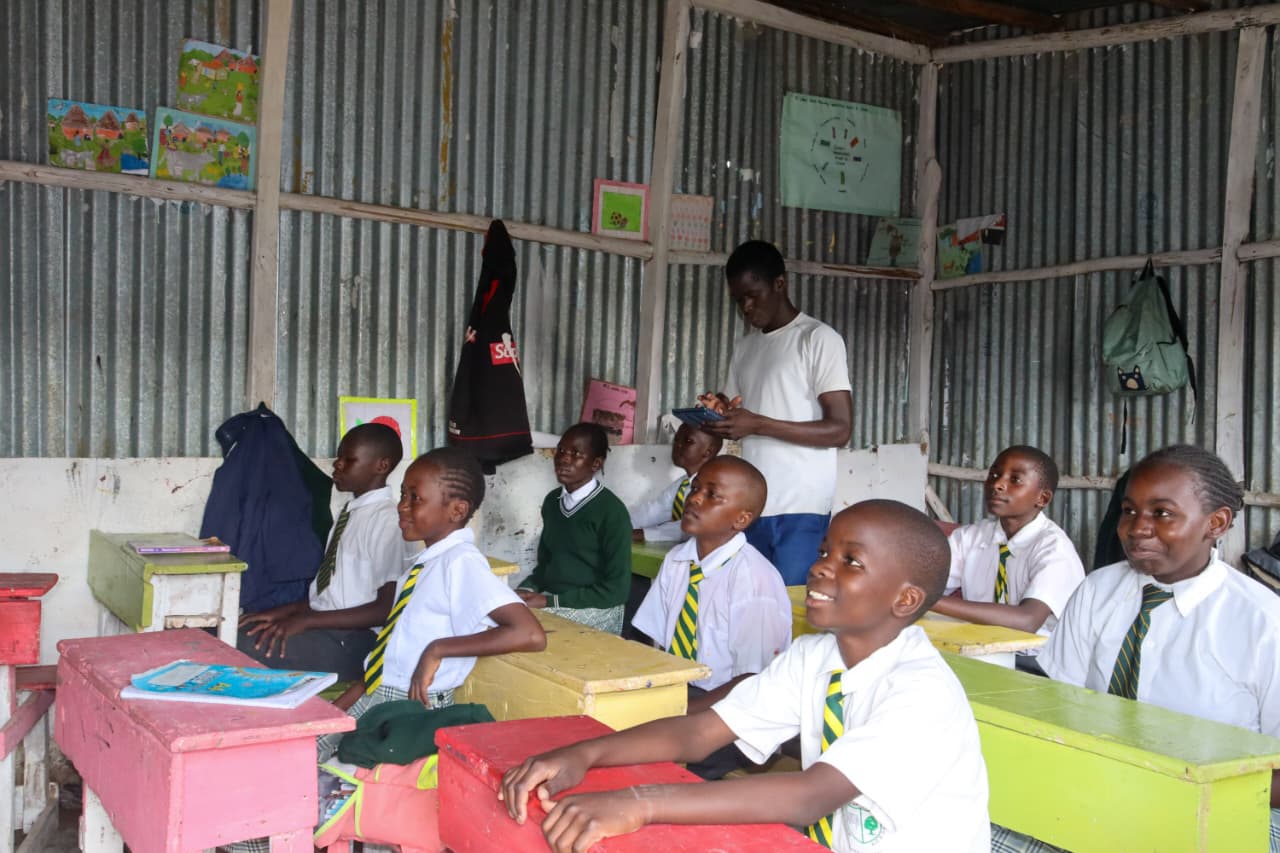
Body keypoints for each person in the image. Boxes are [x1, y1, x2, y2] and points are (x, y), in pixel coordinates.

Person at [500, 500, 989, 853]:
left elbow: (810, 796)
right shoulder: (815, 656)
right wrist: (583, 754)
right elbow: (700, 732)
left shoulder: (921, 692)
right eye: (824, 552)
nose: (820, 568)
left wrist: (639, 802)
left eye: (851, 562)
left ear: (905, 599)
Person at [233, 447, 547, 853]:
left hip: (408, 711)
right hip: (376, 698)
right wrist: (340, 709)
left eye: (416, 498)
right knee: (275, 780)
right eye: (403, 495)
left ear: (456, 510)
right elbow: (389, 657)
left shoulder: (461, 563)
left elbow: (528, 633)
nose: (402, 506)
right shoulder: (425, 564)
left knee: (297, 799)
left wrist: (439, 649)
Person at [995, 444, 1280, 853]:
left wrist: (1172, 791)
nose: (1137, 528)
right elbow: (1059, 705)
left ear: (1215, 523)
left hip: (1215, 806)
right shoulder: (1098, 591)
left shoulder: (1263, 623)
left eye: (1162, 513)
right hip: (1097, 788)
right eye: (1129, 511)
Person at [698, 240, 853, 586]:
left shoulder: (817, 339)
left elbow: (840, 429)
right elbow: (739, 409)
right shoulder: (745, 347)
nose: (746, 307)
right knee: (750, 604)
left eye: (753, 295)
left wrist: (757, 424)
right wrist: (719, 410)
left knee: (791, 604)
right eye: (738, 299)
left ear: (780, 284)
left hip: (800, 507)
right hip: (751, 505)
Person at [631, 456, 791, 779]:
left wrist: (681, 711)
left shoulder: (754, 581)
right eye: (696, 489)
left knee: (650, 762)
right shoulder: (677, 560)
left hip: (735, 712)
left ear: (741, 519)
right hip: (681, 692)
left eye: (712, 495)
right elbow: (653, 642)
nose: (694, 499)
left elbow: (754, 682)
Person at [236, 423, 416, 680]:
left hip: (359, 643)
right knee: (227, 631)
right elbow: (331, 596)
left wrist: (306, 621)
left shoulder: (387, 522)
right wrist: (281, 612)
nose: (337, 464)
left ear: (381, 465)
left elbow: (386, 608)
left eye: (349, 459)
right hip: (327, 628)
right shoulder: (351, 514)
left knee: (238, 646)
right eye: (339, 457)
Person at [931, 445, 1084, 636]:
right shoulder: (970, 537)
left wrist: (929, 601)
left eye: (1015, 480)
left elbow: (1027, 620)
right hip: (978, 645)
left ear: (1042, 498)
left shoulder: (1054, 549)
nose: (997, 484)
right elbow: (927, 582)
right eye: (994, 475)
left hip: (1038, 652)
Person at [517, 423, 632, 634]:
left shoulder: (612, 512)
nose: (564, 459)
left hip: (597, 608)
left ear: (596, 463)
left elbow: (617, 590)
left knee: (525, 632)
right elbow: (546, 566)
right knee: (502, 615)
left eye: (576, 454)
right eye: (561, 450)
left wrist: (550, 601)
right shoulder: (552, 502)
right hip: (554, 600)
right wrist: (526, 589)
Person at [628, 423, 722, 543]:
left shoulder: (715, 488)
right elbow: (653, 511)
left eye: (688, 441)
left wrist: (642, 534)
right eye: (676, 440)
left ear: (708, 451)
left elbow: (690, 527)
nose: (678, 445)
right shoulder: (682, 485)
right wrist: (620, 524)